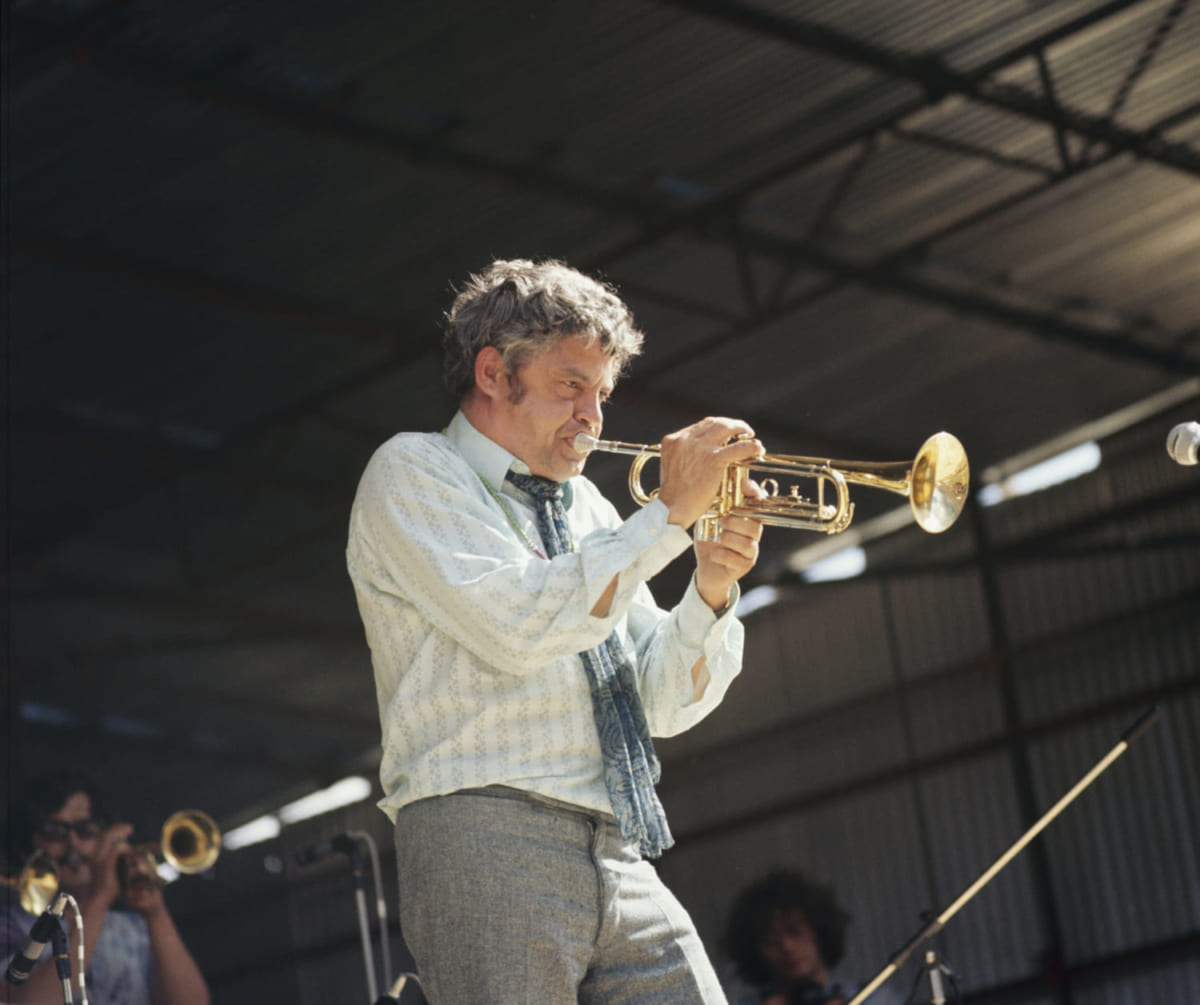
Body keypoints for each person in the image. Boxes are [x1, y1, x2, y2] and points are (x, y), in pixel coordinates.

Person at [346, 257, 767, 1003]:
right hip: (483, 830)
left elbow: (660, 707)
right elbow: (519, 623)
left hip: (617, 842)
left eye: (601, 392)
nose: (594, 418)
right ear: (493, 373)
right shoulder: (413, 470)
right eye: (570, 385)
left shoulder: (593, 513)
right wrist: (668, 516)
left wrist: (710, 587)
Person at [0, 770, 211, 1005]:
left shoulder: (134, 929)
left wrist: (155, 912)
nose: (73, 844)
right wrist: (100, 898)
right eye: (54, 832)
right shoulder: (8, 926)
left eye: (86, 829)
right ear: (25, 847)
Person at [723, 869, 901, 1005]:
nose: (786, 946)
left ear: (818, 930)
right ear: (755, 950)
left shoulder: (875, 998)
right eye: (770, 940)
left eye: (794, 931)